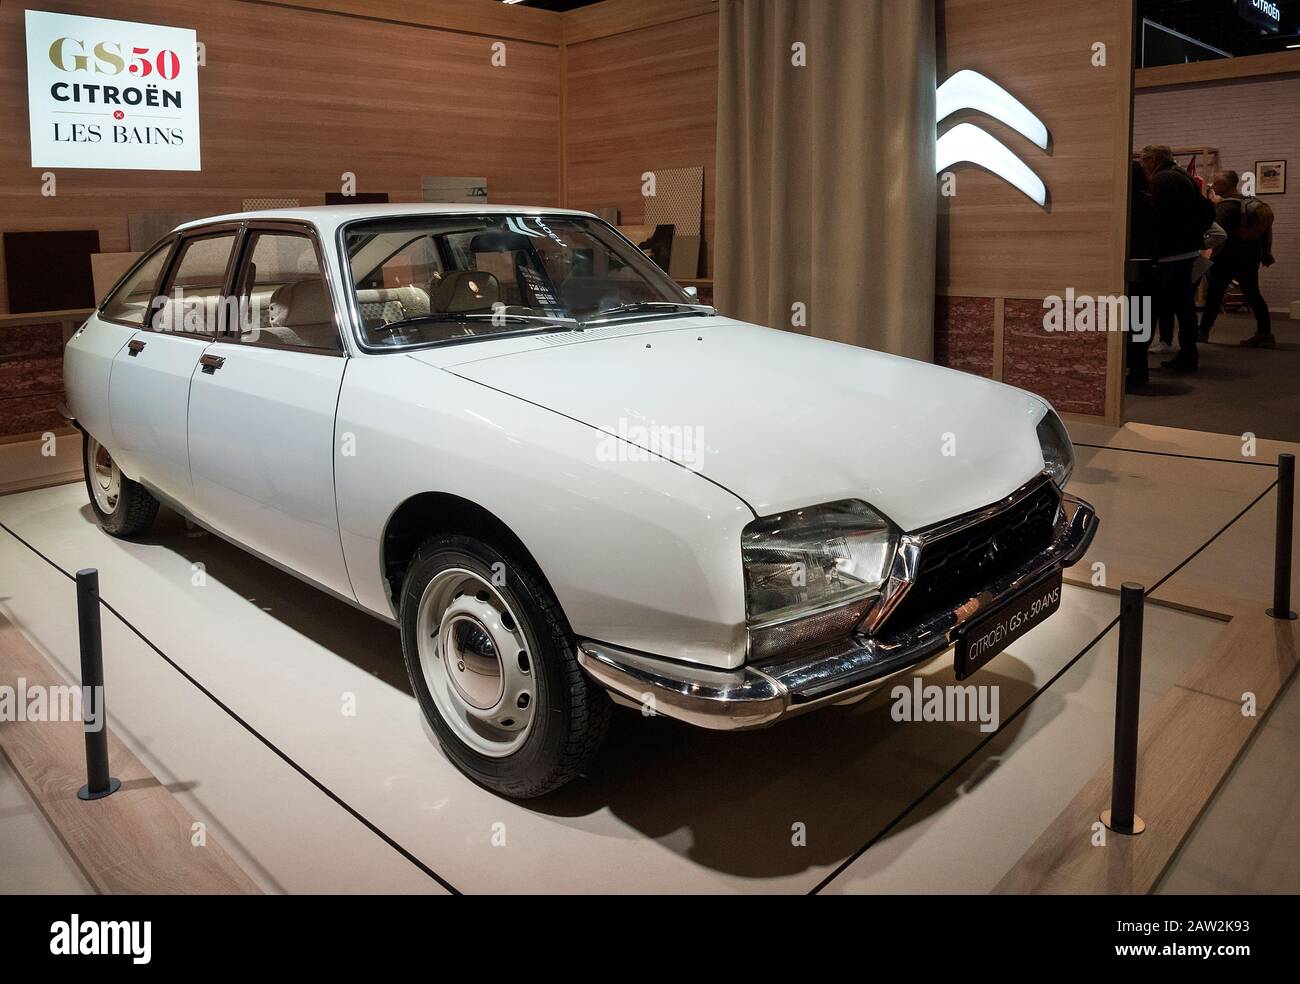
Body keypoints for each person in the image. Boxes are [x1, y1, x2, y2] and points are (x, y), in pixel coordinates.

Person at [1139, 145, 1209, 372]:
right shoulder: (1183, 176)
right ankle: (1189, 353)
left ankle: (1142, 360)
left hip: (1170, 253)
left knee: (1155, 307)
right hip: (1186, 249)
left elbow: (1153, 217)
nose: (1142, 166)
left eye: (1143, 160)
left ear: (1153, 159)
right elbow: (1206, 211)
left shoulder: (1161, 180)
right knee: (1184, 307)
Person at [1199, 170, 1276, 348]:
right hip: (1250, 256)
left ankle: (1202, 331)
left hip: (1228, 257)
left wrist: (1207, 256)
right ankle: (1265, 333)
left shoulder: (1225, 208)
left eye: (1216, 183)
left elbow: (1218, 235)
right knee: (1253, 294)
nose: (1212, 185)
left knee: (1214, 295)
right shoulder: (1246, 202)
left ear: (1226, 185)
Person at [1126, 160, 1156, 388]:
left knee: (1129, 322)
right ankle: (1139, 369)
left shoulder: (1125, 204)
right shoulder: (1150, 202)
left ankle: (1132, 370)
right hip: (1149, 267)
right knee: (1142, 321)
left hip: (1128, 266)